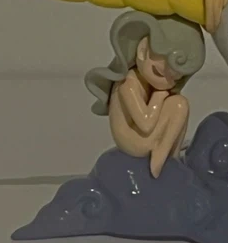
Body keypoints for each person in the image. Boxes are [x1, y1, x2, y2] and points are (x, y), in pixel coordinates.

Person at [84, 11, 205, 178]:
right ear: (142, 52)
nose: (166, 83)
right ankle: (160, 157)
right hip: (133, 141)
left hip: (144, 135)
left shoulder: (146, 82)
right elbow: (146, 123)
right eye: (158, 73)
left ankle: (172, 155)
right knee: (178, 104)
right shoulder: (128, 85)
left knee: (180, 103)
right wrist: (158, 97)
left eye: (175, 79)